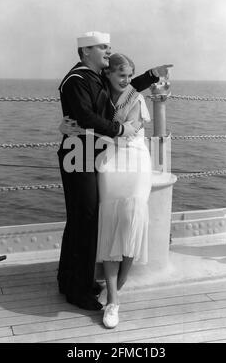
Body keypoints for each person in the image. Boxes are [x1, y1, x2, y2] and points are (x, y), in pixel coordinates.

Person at [57, 31, 170, 311]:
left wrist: (151, 75)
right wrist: (121, 129)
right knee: (84, 219)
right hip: (79, 153)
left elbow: (123, 88)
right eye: (102, 47)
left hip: (88, 152)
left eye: (108, 47)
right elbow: (85, 117)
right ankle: (78, 291)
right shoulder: (77, 80)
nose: (108, 50)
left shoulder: (93, 77)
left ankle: (71, 280)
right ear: (85, 52)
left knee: (82, 220)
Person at [95, 53, 152, 328]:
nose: (127, 80)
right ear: (108, 74)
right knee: (109, 226)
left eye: (130, 75)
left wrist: (95, 127)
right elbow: (104, 126)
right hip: (110, 164)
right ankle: (114, 300)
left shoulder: (137, 99)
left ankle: (114, 290)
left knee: (131, 223)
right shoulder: (100, 95)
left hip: (136, 163)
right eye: (121, 74)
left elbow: (131, 129)